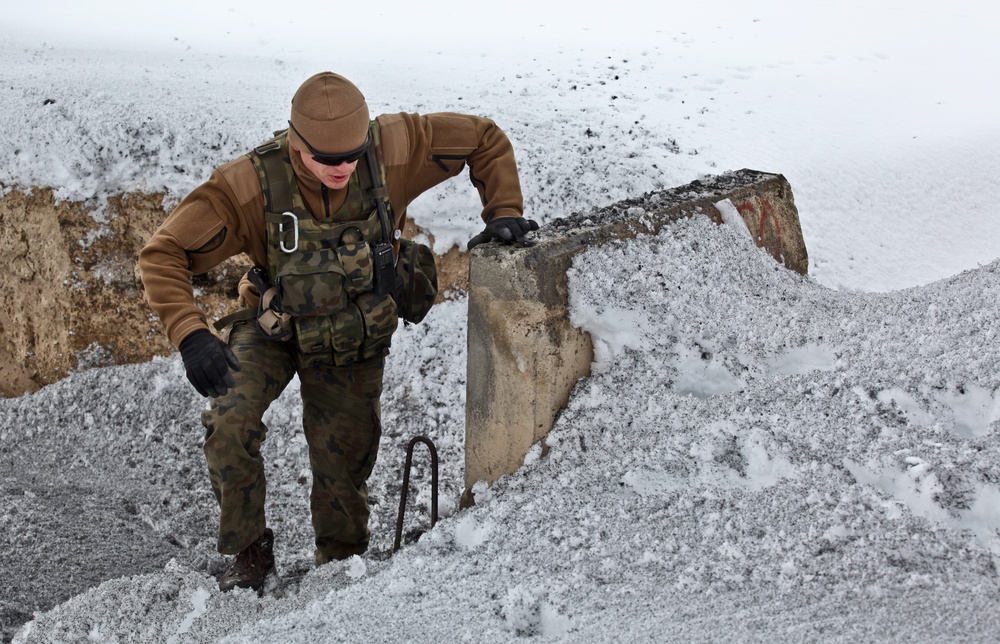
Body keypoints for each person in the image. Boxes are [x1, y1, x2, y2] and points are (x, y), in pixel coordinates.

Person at [138, 72, 538, 593]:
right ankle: (250, 552)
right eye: (326, 160)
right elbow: (163, 252)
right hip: (276, 325)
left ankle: (339, 569)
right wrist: (190, 334)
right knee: (228, 420)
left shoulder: (393, 145)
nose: (342, 168)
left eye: (350, 156)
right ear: (295, 142)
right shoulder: (247, 184)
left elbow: (483, 137)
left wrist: (504, 210)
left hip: (352, 334)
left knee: (343, 460)